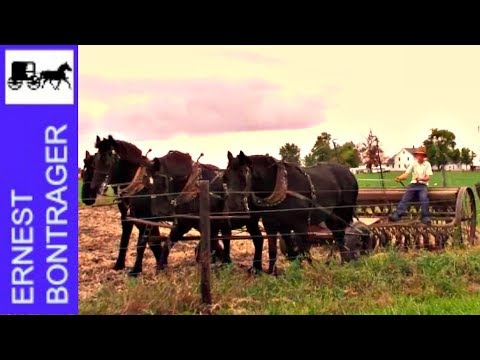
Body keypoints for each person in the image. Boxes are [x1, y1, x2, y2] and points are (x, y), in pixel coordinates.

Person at [389, 146, 433, 225]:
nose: (419, 156)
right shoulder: (413, 163)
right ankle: (397, 215)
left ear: (424, 156)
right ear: (416, 155)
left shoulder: (427, 164)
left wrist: (420, 179)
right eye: (418, 155)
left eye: (421, 155)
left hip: (423, 185)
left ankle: (425, 217)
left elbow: (427, 178)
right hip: (413, 184)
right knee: (405, 198)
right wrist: (399, 178)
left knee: (424, 198)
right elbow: (406, 174)